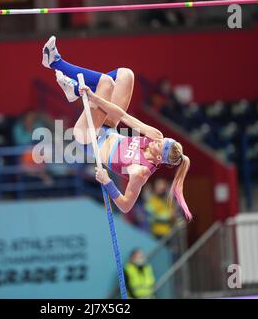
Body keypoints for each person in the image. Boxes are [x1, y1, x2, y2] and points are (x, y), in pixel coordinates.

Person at [42, 36, 192, 220]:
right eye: (162, 139)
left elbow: (126, 205)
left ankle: (55, 62)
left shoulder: (140, 172)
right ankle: (74, 91)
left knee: (105, 83)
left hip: (88, 139)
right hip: (108, 127)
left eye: (159, 144)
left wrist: (108, 182)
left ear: (159, 157)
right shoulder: (157, 136)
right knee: (125, 75)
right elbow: (123, 115)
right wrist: (95, 98)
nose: (157, 140)